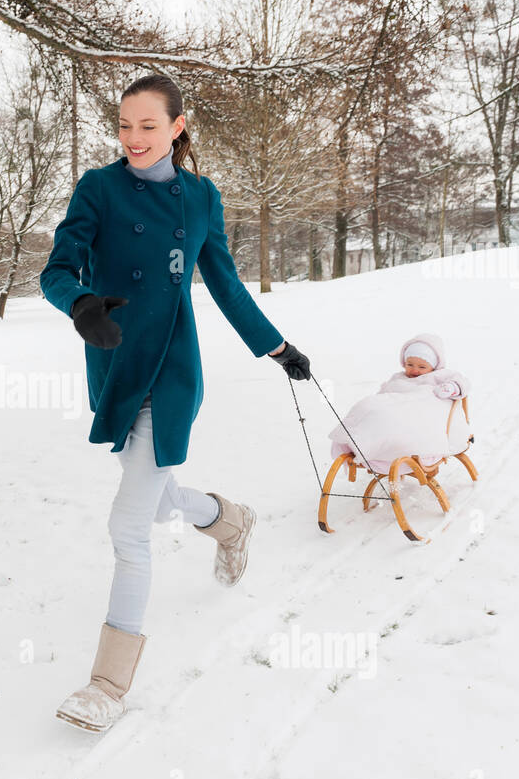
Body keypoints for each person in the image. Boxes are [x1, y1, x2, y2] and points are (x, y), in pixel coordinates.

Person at [38, 73, 311, 733]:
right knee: (156, 498)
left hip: (173, 373)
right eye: (125, 125)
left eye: (148, 125)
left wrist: (277, 348)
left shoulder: (200, 199)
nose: (134, 138)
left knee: (129, 527)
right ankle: (227, 519)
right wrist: (79, 305)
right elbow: (57, 267)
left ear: (177, 127)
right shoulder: (97, 189)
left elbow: (225, 284)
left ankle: (107, 685)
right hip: (115, 366)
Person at [327, 333, 471, 475]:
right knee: (370, 407)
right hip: (395, 410)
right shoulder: (398, 378)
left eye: (422, 367)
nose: (414, 370)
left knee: (390, 417)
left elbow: (462, 382)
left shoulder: (439, 376)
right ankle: (355, 440)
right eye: (410, 364)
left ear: (433, 366)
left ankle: (379, 445)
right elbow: (386, 396)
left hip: (418, 418)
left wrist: (451, 388)